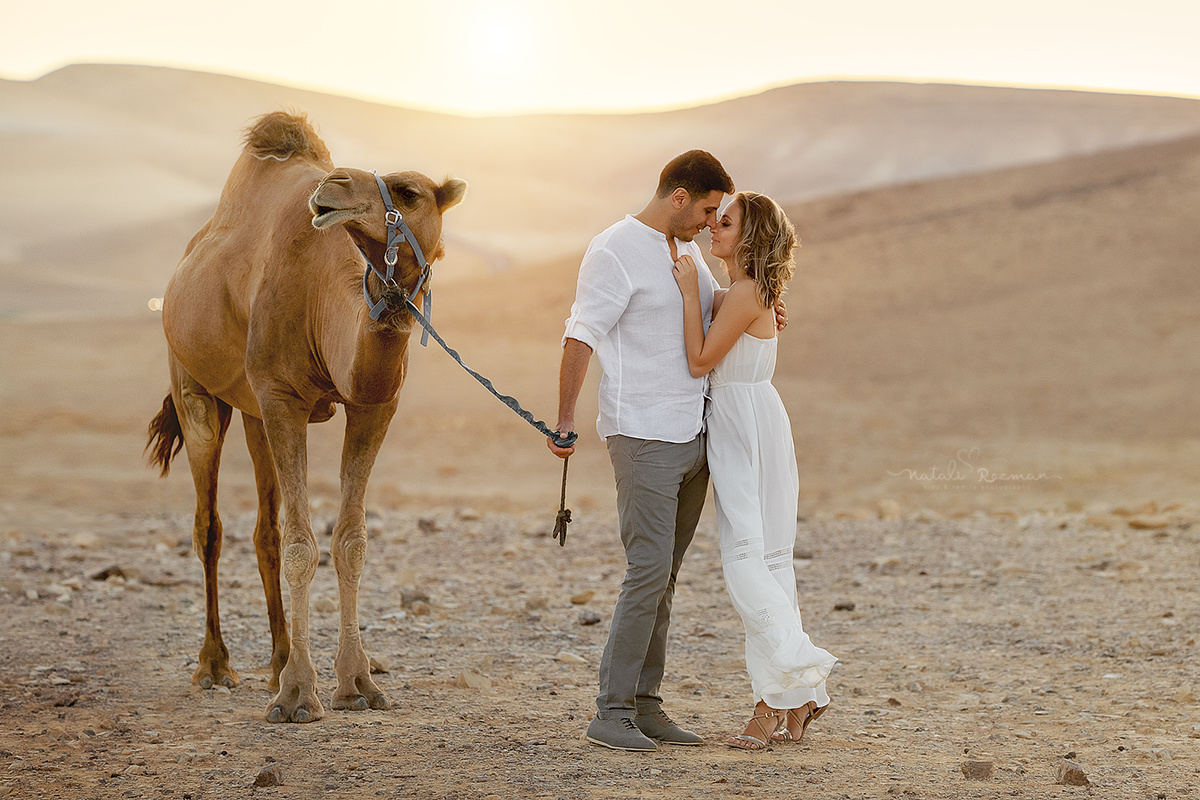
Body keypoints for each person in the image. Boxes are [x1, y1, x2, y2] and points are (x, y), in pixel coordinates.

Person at [547, 151, 735, 751]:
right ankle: (611, 711)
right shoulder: (613, 249)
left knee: (667, 576)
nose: (711, 223)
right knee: (647, 570)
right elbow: (581, 333)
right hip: (643, 435)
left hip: (693, 433)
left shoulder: (688, 253)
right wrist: (565, 418)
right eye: (707, 209)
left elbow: (710, 312)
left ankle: (647, 707)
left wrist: (760, 306)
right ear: (678, 196)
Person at [672, 191, 837, 751]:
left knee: (747, 561)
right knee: (769, 562)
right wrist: (705, 292)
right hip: (752, 421)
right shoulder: (743, 292)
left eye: (726, 222)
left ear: (750, 236)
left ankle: (791, 677)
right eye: (715, 220)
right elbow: (730, 309)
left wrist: (691, 292)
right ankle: (792, 698)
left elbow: (699, 360)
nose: (714, 228)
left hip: (746, 426)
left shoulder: (744, 293)